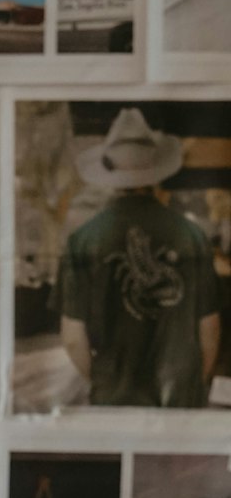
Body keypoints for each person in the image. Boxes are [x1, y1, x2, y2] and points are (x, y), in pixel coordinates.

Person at [57, 108, 223, 408]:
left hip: (114, 399)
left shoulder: (82, 240)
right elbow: (210, 329)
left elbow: (71, 338)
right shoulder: (193, 236)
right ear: (156, 172)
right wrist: (196, 386)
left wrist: (102, 383)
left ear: (111, 176)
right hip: (179, 398)